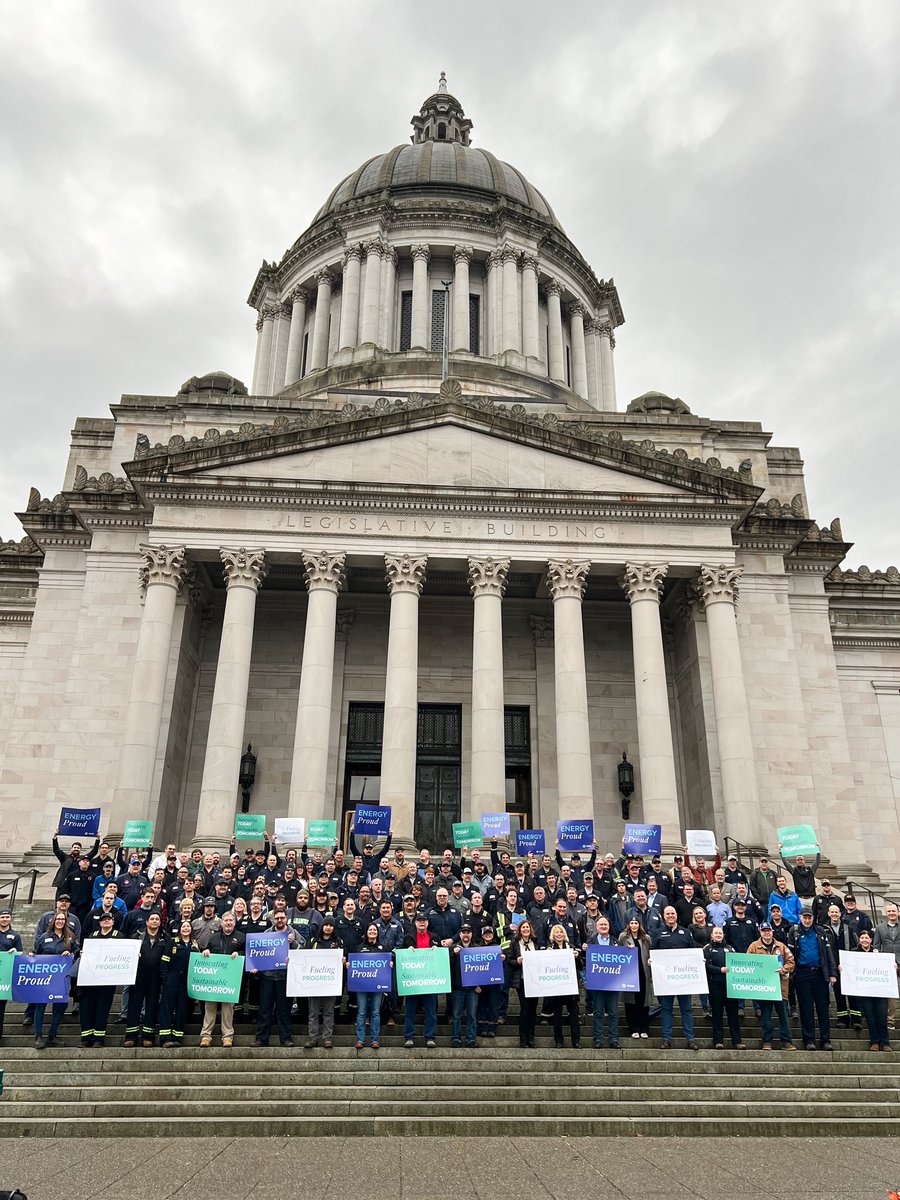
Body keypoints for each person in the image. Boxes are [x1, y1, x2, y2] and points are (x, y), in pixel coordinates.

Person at [786, 906, 837, 1050]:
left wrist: (832, 973)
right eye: (805, 917)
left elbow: (828, 953)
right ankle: (809, 1040)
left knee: (823, 1008)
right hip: (802, 973)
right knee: (806, 1008)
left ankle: (825, 1040)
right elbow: (789, 953)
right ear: (800, 917)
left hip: (820, 973)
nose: (807, 920)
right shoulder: (794, 931)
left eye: (809, 917)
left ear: (813, 918)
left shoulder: (820, 931)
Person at [651, 906, 699, 1050]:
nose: (670, 916)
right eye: (668, 914)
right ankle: (666, 1039)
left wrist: (699, 960)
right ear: (663, 916)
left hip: (684, 979)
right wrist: (651, 960)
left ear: (676, 915)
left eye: (673, 913)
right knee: (666, 1009)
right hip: (666, 979)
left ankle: (690, 1039)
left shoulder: (686, 932)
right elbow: (653, 952)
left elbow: (694, 951)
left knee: (687, 1009)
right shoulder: (659, 933)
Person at [199, 911, 245, 1048]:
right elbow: (206, 951)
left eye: (231, 920)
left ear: (234, 922)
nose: (229, 923)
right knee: (210, 1008)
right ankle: (206, 1036)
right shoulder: (213, 938)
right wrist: (206, 952)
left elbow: (248, 954)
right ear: (222, 922)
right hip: (214, 981)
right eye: (226, 920)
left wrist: (240, 953)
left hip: (230, 980)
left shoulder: (241, 937)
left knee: (228, 1009)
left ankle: (227, 1037)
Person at [748, 921, 796, 1050]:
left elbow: (791, 962)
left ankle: (786, 1042)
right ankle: (767, 1041)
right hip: (764, 989)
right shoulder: (753, 947)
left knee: (784, 1016)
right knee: (766, 1017)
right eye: (764, 931)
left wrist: (784, 969)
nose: (766, 933)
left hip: (781, 988)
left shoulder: (781, 946)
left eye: (768, 930)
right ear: (760, 932)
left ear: (772, 931)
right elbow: (748, 965)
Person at [32, 911, 76, 1049]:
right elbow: (35, 954)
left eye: (63, 919)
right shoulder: (44, 937)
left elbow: (76, 954)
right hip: (44, 979)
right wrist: (31, 955)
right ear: (53, 920)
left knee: (60, 1007)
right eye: (58, 919)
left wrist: (70, 954)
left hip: (61, 980)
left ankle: (52, 1036)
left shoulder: (70, 938)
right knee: (40, 1006)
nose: (60, 921)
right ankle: (38, 1036)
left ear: (66, 922)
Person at [79, 910, 121, 1048]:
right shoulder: (92, 936)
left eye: (109, 919)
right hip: (90, 979)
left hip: (108, 980)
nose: (106, 921)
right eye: (104, 919)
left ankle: (98, 1038)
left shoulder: (118, 936)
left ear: (113, 922)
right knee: (87, 1007)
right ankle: (86, 1037)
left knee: (103, 1009)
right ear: (100, 922)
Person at [124, 911, 167, 1047]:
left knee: (152, 1006)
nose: (154, 921)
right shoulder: (136, 937)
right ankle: (131, 1036)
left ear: (160, 923)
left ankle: (148, 1036)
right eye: (152, 919)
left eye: (157, 919)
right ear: (147, 922)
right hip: (138, 976)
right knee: (134, 1005)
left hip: (155, 977)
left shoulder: (165, 938)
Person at [847, 929, 893, 1051]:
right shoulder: (853, 953)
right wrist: (843, 967)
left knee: (882, 1016)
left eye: (867, 938)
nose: (864, 940)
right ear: (859, 940)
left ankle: (885, 1042)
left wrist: (892, 966)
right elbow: (850, 969)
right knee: (870, 1017)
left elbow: (886, 969)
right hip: (864, 991)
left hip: (880, 991)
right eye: (862, 938)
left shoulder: (878, 953)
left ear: (871, 940)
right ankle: (874, 1041)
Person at [403, 911, 441, 1048]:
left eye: (424, 920)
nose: (422, 923)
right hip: (413, 981)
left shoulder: (435, 937)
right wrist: (407, 950)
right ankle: (409, 1036)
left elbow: (441, 958)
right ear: (415, 923)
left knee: (431, 1012)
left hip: (430, 982)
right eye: (419, 921)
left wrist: (438, 950)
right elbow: (401, 956)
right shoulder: (408, 937)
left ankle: (430, 1037)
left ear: (428, 923)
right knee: (410, 1011)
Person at [159, 919, 198, 1048]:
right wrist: (165, 979)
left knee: (182, 1009)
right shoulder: (172, 942)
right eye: (183, 927)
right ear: (180, 929)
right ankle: (165, 1038)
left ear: (191, 929)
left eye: (188, 926)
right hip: (172, 979)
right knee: (167, 1008)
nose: (186, 928)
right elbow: (164, 962)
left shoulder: (194, 945)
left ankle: (177, 1037)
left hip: (186, 982)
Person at [703, 925, 743, 1049]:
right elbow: (706, 966)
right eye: (716, 933)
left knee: (733, 1015)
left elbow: (737, 963)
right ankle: (718, 1041)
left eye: (720, 933)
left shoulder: (730, 948)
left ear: (723, 935)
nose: (718, 935)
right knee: (717, 1014)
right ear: (712, 935)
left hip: (730, 985)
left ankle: (737, 1041)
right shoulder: (707, 949)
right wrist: (720, 970)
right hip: (715, 985)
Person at [819, 902, 858, 1028]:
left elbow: (856, 946)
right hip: (834, 966)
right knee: (838, 993)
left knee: (853, 993)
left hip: (849, 966)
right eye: (832, 912)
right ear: (829, 914)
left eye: (837, 912)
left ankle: (856, 1019)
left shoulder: (849, 928)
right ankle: (842, 1019)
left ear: (840, 914)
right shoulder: (824, 930)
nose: (834, 914)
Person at [306, 916, 341, 1048]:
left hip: (331, 983)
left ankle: (327, 1038)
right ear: (322, 926)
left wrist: (343, 961)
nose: (328, 927)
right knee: (313, 1012)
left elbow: (344, 958)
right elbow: (303, 958)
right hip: (314, 983)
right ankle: (313, 1038)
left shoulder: (338, 942)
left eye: (331, 925)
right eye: (326, 925)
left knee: (328, 1012)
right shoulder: (313, 941)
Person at [351, 923, 388, 1049]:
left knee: (376, 1012)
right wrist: (349, 966)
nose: (372, 931)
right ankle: (360, 1039)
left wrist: (391, 964)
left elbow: (388, 963)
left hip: (378, 985)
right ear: (366, 933)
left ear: (377, 933)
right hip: (362, 985)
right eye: (370, 929)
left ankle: (374, 1040)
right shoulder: (359, 948)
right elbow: (354, 963)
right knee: (361, 1012)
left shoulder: (383, 948)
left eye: (374, 930)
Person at [586, 916, 620, 1049]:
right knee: (598, 1012)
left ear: (609, 926)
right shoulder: (591, 941)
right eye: (601, 925)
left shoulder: (616, 942)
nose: (604, 926)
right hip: (597, 983)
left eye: (606, 924)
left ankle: (613, 1039)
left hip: (613, 983)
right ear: (596, 927)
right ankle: (598, 1039)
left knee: (613, 1012)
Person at [546, 923, 580, 1048]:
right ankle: (558, 1040)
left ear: (564, 934)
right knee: (557, 1016)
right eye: (556, 932)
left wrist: (577, 957)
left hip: (570, 988)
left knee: (574, 1016)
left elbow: (580, 967)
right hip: (556, 988)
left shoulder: (571, 947)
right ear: (553, 935)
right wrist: (546, 956)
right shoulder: (549, 948)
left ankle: (576, 1041)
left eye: (561, 932)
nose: (559, 934)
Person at [508, 920, 540, 1048]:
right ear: (520, 930)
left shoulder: (536, 942)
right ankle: (523, 1038)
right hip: (521, 980)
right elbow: (509, 960)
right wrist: (517, 961)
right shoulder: (515, 943)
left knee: (533, 1010)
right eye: (523, 927)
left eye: (527, 927)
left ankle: (531, 1038)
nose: (525, 929)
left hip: (535, 981)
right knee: (525, 1009)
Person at [618, 918, 652, 1037]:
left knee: (643, 1002)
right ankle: (633, 1029)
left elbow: (649, 953)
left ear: (639, 925)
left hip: (643, 973)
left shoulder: (646, 938)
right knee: (631, 1002)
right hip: (630, 974)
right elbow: (618, 953)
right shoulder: (623, 937)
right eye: (631, 923)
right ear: (628, 925)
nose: (634, 925)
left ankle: (644, 1028)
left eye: (636, 923)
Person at [449, 923, 479, 1048]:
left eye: (468, 932)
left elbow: (482, 969)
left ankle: (471, 1038)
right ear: (460, 934)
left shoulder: (477, 948)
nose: (466, 934)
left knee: (472, 1015)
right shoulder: (454, 949)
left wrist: (479, 984)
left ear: (471, 934)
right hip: (458, 988)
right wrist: (452, 954)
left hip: (472, 988)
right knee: (456, 1015)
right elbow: (446, 966)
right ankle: (456, 1038)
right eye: (463, 932)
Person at [873, 902, 900, 1032]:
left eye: (893, 911)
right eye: (889, 911)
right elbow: (876, 947)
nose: (891, 913)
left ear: (898, 912)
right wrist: (880, 961)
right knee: (890, 995)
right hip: (887, 964)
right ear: (886, 913)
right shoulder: (879, 928)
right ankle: (890, 1020)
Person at [0, 909, 22, 1043]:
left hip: (4, 977)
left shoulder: (15, 935)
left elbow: (20, 953)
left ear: (11, 919)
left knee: (1, 1007)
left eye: (7, 917)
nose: (4, 919)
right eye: (2, 917)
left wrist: (15, 951)